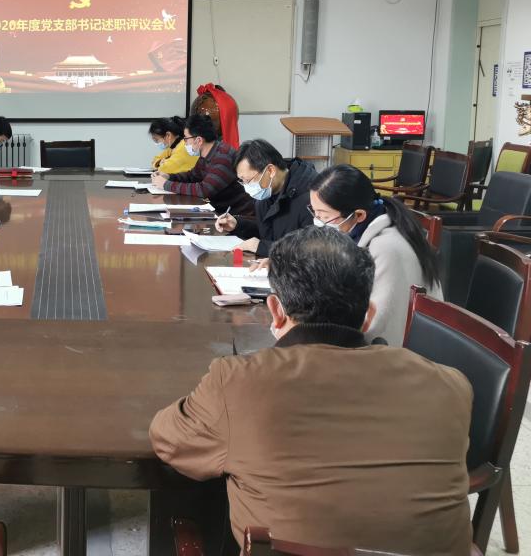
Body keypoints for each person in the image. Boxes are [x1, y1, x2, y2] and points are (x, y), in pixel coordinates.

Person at [150, 228, 472, 554]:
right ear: (369, 315)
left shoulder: (238, 381)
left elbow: (168, 439)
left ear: (276, 310)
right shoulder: (450, 386)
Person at [310, 164, 441, 346]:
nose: (318, 221)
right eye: (314, 213)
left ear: (359, 215)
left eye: (324, 216)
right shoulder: (366, 230)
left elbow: (377, 325)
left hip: (399, 352)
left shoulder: (386, 249)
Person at [215, 139, 316, 256]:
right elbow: (269, 232)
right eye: (242, 181)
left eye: (248, 180)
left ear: (271, 171)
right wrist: (238, 225)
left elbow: (309, 250)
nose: (247, 187)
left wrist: (261, 247)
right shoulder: (266, 192)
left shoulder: (310, 196)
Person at [152, 115, 252, 218]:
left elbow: (204, 190)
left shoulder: (223, 156)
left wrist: (166, 185)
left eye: (186, 139)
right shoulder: (206, 154)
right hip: (220, 211)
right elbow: (192, 176)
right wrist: (168, 176)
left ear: (199, 140)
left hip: (238, 216)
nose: (184, 142)